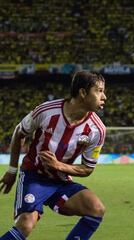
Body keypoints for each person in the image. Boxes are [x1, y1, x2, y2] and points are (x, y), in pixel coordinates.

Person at [0, 71, 107, 240]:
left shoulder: (97, 130)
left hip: (61, 182)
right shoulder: (47, 111)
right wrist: (12, 170)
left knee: (96, 208)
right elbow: (19, 132)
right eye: (99, 91)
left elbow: (87, 168)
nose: (104, 97)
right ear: (83, 93)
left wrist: (59, 166)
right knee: (26, 225)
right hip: (34, 176)